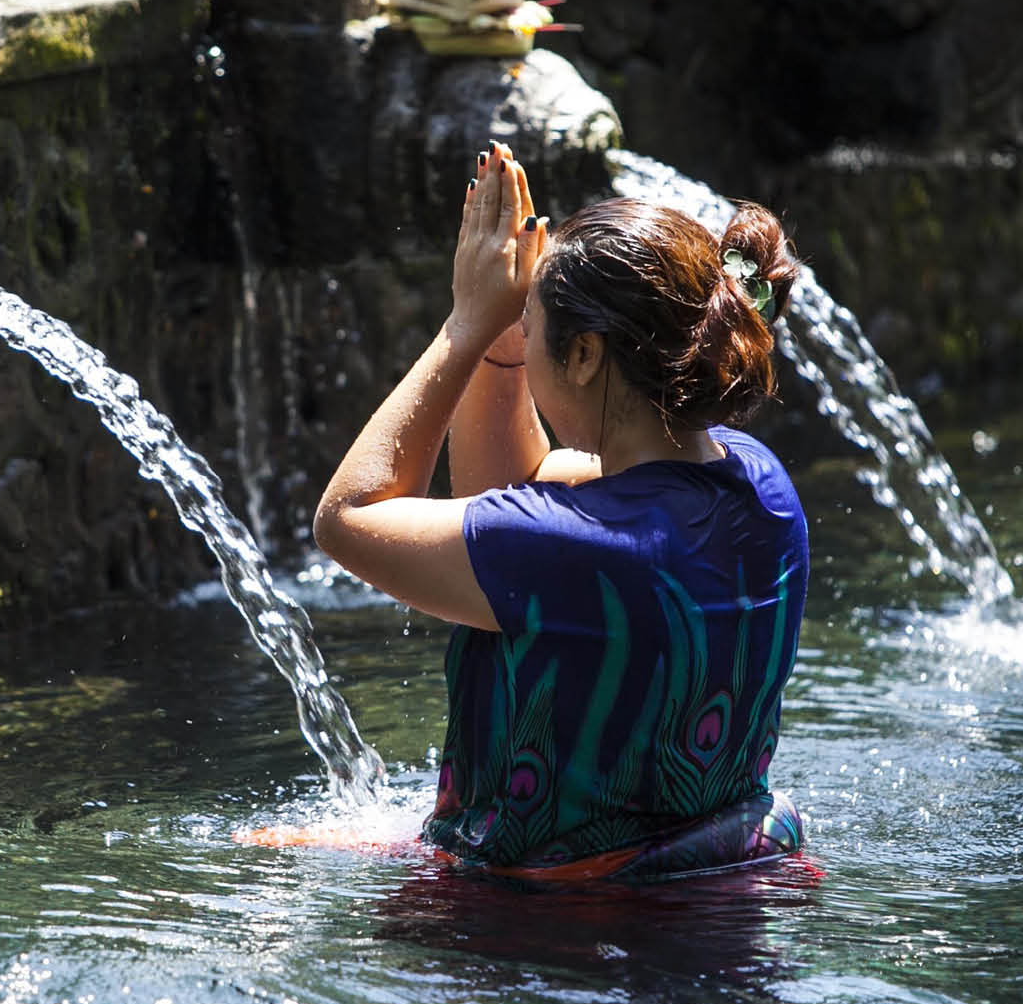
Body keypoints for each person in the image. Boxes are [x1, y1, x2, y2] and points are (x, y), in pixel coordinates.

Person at [313, 142, 810, 881]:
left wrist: (466, 326)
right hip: (718, 879)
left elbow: (347, 516)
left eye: (532, 324)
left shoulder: (570, 548)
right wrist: (509, 344)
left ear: (583, 356)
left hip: (553, 925)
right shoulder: (760, 483)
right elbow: (517, 490)